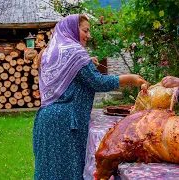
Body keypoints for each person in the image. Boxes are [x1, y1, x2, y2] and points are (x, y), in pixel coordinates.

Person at [33, 14, 147, 180]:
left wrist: (87, 62)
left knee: (49, 172)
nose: (89, 35)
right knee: (68, 173)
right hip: (66, 123)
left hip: (46, 120)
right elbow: (98, 82)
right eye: (85, 30)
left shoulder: (50, 52)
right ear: (72, 30)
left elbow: (74, 75)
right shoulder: (76, 53)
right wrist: (129, 79)